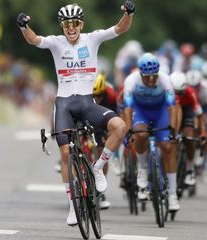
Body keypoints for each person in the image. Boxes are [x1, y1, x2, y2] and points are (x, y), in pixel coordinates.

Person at [17, 1, 135, 226]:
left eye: (74, 23)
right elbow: (34, 39)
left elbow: (120, 29)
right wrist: (24, 27)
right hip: (64, 105)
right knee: (64, 153)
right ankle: (72, 207)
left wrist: (129, 13)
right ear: (62, 26)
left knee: (120, 127)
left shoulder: (93, 38)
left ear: (81, 24)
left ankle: (98, 168)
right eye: (66, 24)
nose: (71, 28)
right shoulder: (56, 43)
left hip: (87, 103)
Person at [123, 53, 180, 211]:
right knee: (140, 135)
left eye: (153, 76)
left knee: (168, 147)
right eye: (146, 77)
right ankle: (142, 169)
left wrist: (173, 129)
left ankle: (173, 195)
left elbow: (172, 107)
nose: (150, 80)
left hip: (160, 112)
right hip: (141, 112)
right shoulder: (131, 80)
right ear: (140, 73)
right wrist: (129, 129)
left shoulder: (165, 79)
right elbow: (127, 108)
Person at [170, 71, 207, 187]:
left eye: (180, 93)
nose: (178, 96)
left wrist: (203, 133)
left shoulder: (191, 93)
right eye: (175, 93)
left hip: (186, 111)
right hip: (170, 110)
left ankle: (190, 169)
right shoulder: (165, 91)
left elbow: (200, 115)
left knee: (189, 137)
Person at [92, 73, 118, 210]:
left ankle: (101, 193)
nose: (96, 99)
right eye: (93, 96)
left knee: (102, 150)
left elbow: (115, 116)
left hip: (102, 118)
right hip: (86, 115)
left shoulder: (110, 95)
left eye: (99, 96)